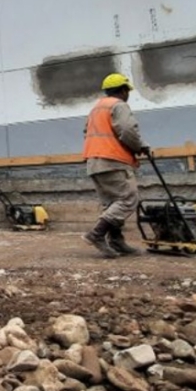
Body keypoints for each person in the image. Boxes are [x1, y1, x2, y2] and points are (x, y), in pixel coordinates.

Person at [82, 73, 150, 258]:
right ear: (123, 90)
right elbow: (128, 130)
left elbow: (86, 132)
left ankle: (117, 240)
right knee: (128, 199)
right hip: (112, 160)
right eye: (127, 90)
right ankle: (96, 235)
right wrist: (140, 146)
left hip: (94, 161)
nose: (127, 94)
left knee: (112, 203)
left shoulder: (96, 108)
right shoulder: (118, 105)